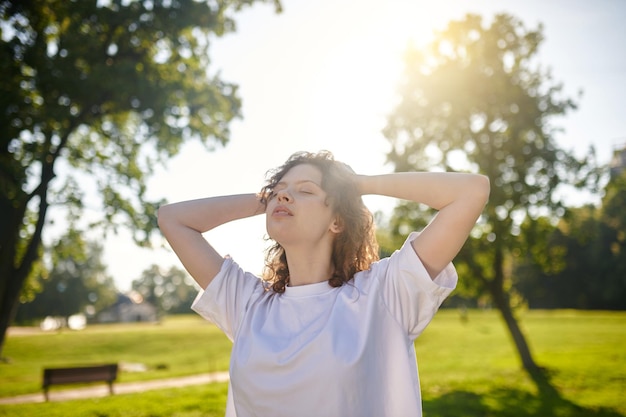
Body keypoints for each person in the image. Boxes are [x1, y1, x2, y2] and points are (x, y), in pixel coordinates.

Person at [158, 150, 490, 417]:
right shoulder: (247, 304)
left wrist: (357, 184)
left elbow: (471, 190)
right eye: (278, 190)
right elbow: (172, 218)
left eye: (305, 191)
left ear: (337, 221)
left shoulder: (384, 295)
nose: (284, 197)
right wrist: (269, 198)